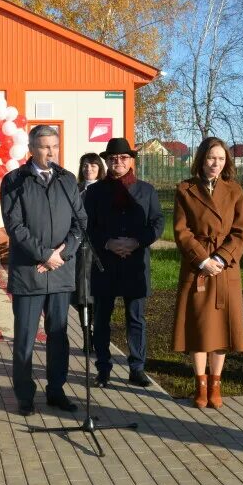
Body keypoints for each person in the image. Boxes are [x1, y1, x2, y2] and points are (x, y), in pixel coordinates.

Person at [1, 125, 87, 416]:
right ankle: (25, 395)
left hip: (61, 271)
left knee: (59, 335)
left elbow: (80, 222)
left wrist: (64, 253)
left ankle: (56, 389)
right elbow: (15, 226)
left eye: (54, 146)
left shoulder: (67, 180)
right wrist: (44, 254)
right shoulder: (15, 180)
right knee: (25, 336)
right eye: (43, 147)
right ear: (32, 149)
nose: (50, 152)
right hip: (30, 272)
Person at [172, 137, 243, 409]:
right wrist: (203, 260)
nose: (215, 163)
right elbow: (181, 231)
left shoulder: (235, 190)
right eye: (210, 158)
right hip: (198, 269)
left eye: (220, 158)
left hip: (225, 269)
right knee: (198, 328)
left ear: (226, 161)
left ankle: (216, 384)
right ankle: (200, 384)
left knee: (221, 330)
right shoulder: (185, 189)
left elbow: (241, 231)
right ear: (201, 159)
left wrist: (221, 257)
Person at [82, 137, 165, 388]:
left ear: (131, 161)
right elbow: (87, 225)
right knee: (102, 319)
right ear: (107, 161)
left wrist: (136, 242)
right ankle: (103, 368)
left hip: (135, 264)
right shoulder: (95, 192)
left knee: (136, 318)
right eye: (113, 158)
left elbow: (157, 223)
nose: (118, 162)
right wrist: (107, 242)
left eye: (123, 158)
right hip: (105, 263)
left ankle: (137, 368)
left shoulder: (146, 190)